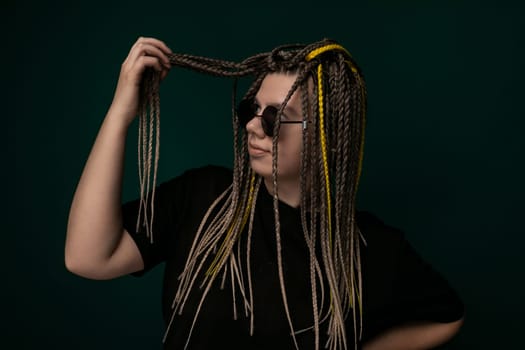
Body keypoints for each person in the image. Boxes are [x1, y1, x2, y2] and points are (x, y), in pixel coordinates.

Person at [65, 37, 464, 350]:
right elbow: (88, 258)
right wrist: (120, 114)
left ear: (327, 134)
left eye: (274, 117)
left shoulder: (366, 249)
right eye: (250, 110)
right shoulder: (204, 198)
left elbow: (447, 317)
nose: (253, 127)